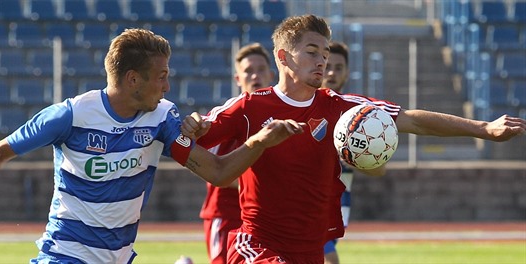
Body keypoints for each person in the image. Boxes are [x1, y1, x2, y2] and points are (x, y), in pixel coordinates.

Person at [180, 14, 526, 264]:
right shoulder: (249, 106)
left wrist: (483, 128)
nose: (323, 61)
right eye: (312, 52)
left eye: (325, 52)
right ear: (283, 58)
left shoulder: (342, 109)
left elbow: (412, 120)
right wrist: (194, 126)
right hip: (259, 246)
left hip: (311, 250)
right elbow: (200, 131)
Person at [0, 28, 305, 264]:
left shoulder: (161, 118)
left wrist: (261, 141)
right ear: (132, 80)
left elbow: (217, 172)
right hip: (66, 255)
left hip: (119, 256)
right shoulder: (71, 115)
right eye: (161, 76)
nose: (168, 85)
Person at [199, 42, 275, 264]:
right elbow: (208, 164)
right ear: (237, 79)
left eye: (260, 69)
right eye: (248, 71)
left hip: (262, 218)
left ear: (271, 75)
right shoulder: (228, 118)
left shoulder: (278, 118)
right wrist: (253, 185)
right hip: (226, 213)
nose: (255, 75)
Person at [321, 41, 354, 264]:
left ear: (347, 73)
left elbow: (379, 170)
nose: (332, 72)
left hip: (341, 197)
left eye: (339, 67)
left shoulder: (356, 115)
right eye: (327, 65)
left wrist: (360, 160)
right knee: (329, 257)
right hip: (308, 198)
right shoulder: (302, 105)